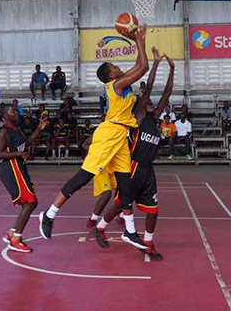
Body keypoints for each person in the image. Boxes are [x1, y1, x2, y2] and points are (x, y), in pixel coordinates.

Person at [39, 25, 150, 249]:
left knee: (125, 185)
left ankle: (129, 231)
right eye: (115, 65)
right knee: (83, 177)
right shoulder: (116, 85)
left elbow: (140, 65)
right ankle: (49, 214)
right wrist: (138, 38)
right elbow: (144, 66)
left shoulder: (122, 81)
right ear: (111, 74)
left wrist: (141, 41)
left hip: (121, 136)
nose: (120, 66)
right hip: (108, 134)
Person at [92, 48, 174, 260]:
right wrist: (155, 63)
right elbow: (150, 89)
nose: (152, 103)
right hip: (133, 166)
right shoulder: (137, 119)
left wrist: (172, 70)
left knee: (152, 210)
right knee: (120, 204)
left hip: (148, 171)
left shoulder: (155, 120)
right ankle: (100, 227)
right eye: (147, 100)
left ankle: (148, 242)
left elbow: (166, 94)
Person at [0, 104, 48, 253]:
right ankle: (16, 239)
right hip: (11, 168)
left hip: (18, 167)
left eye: (16, 111)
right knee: (31, 202)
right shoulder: (3, 132)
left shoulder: (17, 129)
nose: (16, 113)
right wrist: (18, 154)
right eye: (12, 112)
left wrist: (39, 128)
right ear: (5, 116)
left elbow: (27, 142)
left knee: (29, 203)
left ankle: (12, 233)